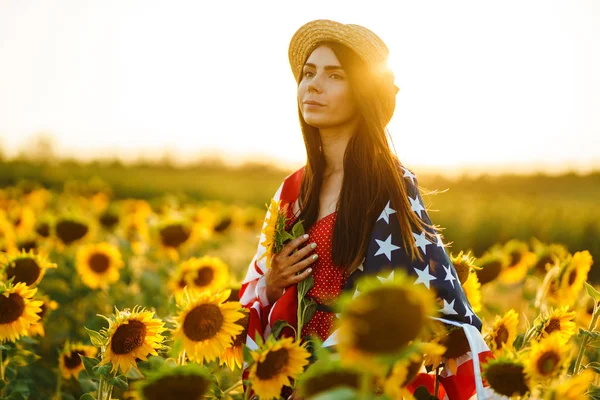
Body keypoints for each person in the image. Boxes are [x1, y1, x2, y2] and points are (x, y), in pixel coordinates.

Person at [239, 19, 494, 400]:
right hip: (293, 377)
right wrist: (272, 283)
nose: (313, 84)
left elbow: (408, 291)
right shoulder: (292, 189)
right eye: (308, 73)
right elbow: (257, 287)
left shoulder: (390, 183)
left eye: (334, 75)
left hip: (360, 382)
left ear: (362, 90)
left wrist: (333, 374)